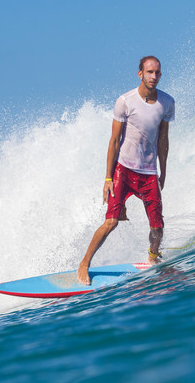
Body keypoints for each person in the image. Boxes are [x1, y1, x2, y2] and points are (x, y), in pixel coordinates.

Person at [77, 56, 175, 285]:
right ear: (140, 73)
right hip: (124, 170)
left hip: (149, 172)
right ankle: (84, 263)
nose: (154, 77)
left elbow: (163, 140)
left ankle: (153, 258)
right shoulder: (125, 101)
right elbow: (113, 141)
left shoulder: (167, 103)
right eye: (149, 72)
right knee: (111, 222)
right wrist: (108, 177)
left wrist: (164, 171)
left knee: (157, 227)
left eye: (157, 73)